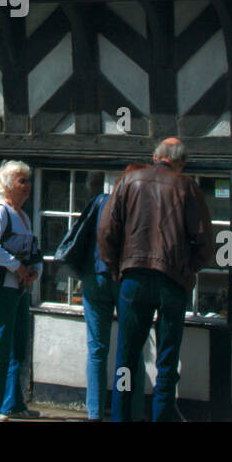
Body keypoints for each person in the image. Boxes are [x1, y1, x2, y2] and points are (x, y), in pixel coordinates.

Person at [98, 139, 211, 422]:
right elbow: (205, 242)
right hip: (173, 280)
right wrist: (188, 268)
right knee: (167, 360)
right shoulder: (188, 187)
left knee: (125, 358)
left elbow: (106, 231)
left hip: (133, 277)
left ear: (155, 157)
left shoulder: (129, 181)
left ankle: (120, 417)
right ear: (182, 163)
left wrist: (117, 269)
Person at [0, 159, 42, 422]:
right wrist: (17, 268)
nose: (27, 185)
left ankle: (12, 404)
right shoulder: (0, 212)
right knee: (0, 347)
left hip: (19, 290)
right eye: (21, 180)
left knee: (18, 348)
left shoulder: (24, 217)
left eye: (27, 180)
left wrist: (34, 270)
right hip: (1, 289)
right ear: (6, 184)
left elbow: (33, 252)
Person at [80, 166, 146, 421]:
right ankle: (131, 409)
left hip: (94, 277)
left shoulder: (100, 201)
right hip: (125, 279)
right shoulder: (140, 208)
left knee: (97, 350)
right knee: (130, 349)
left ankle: (94, 413)